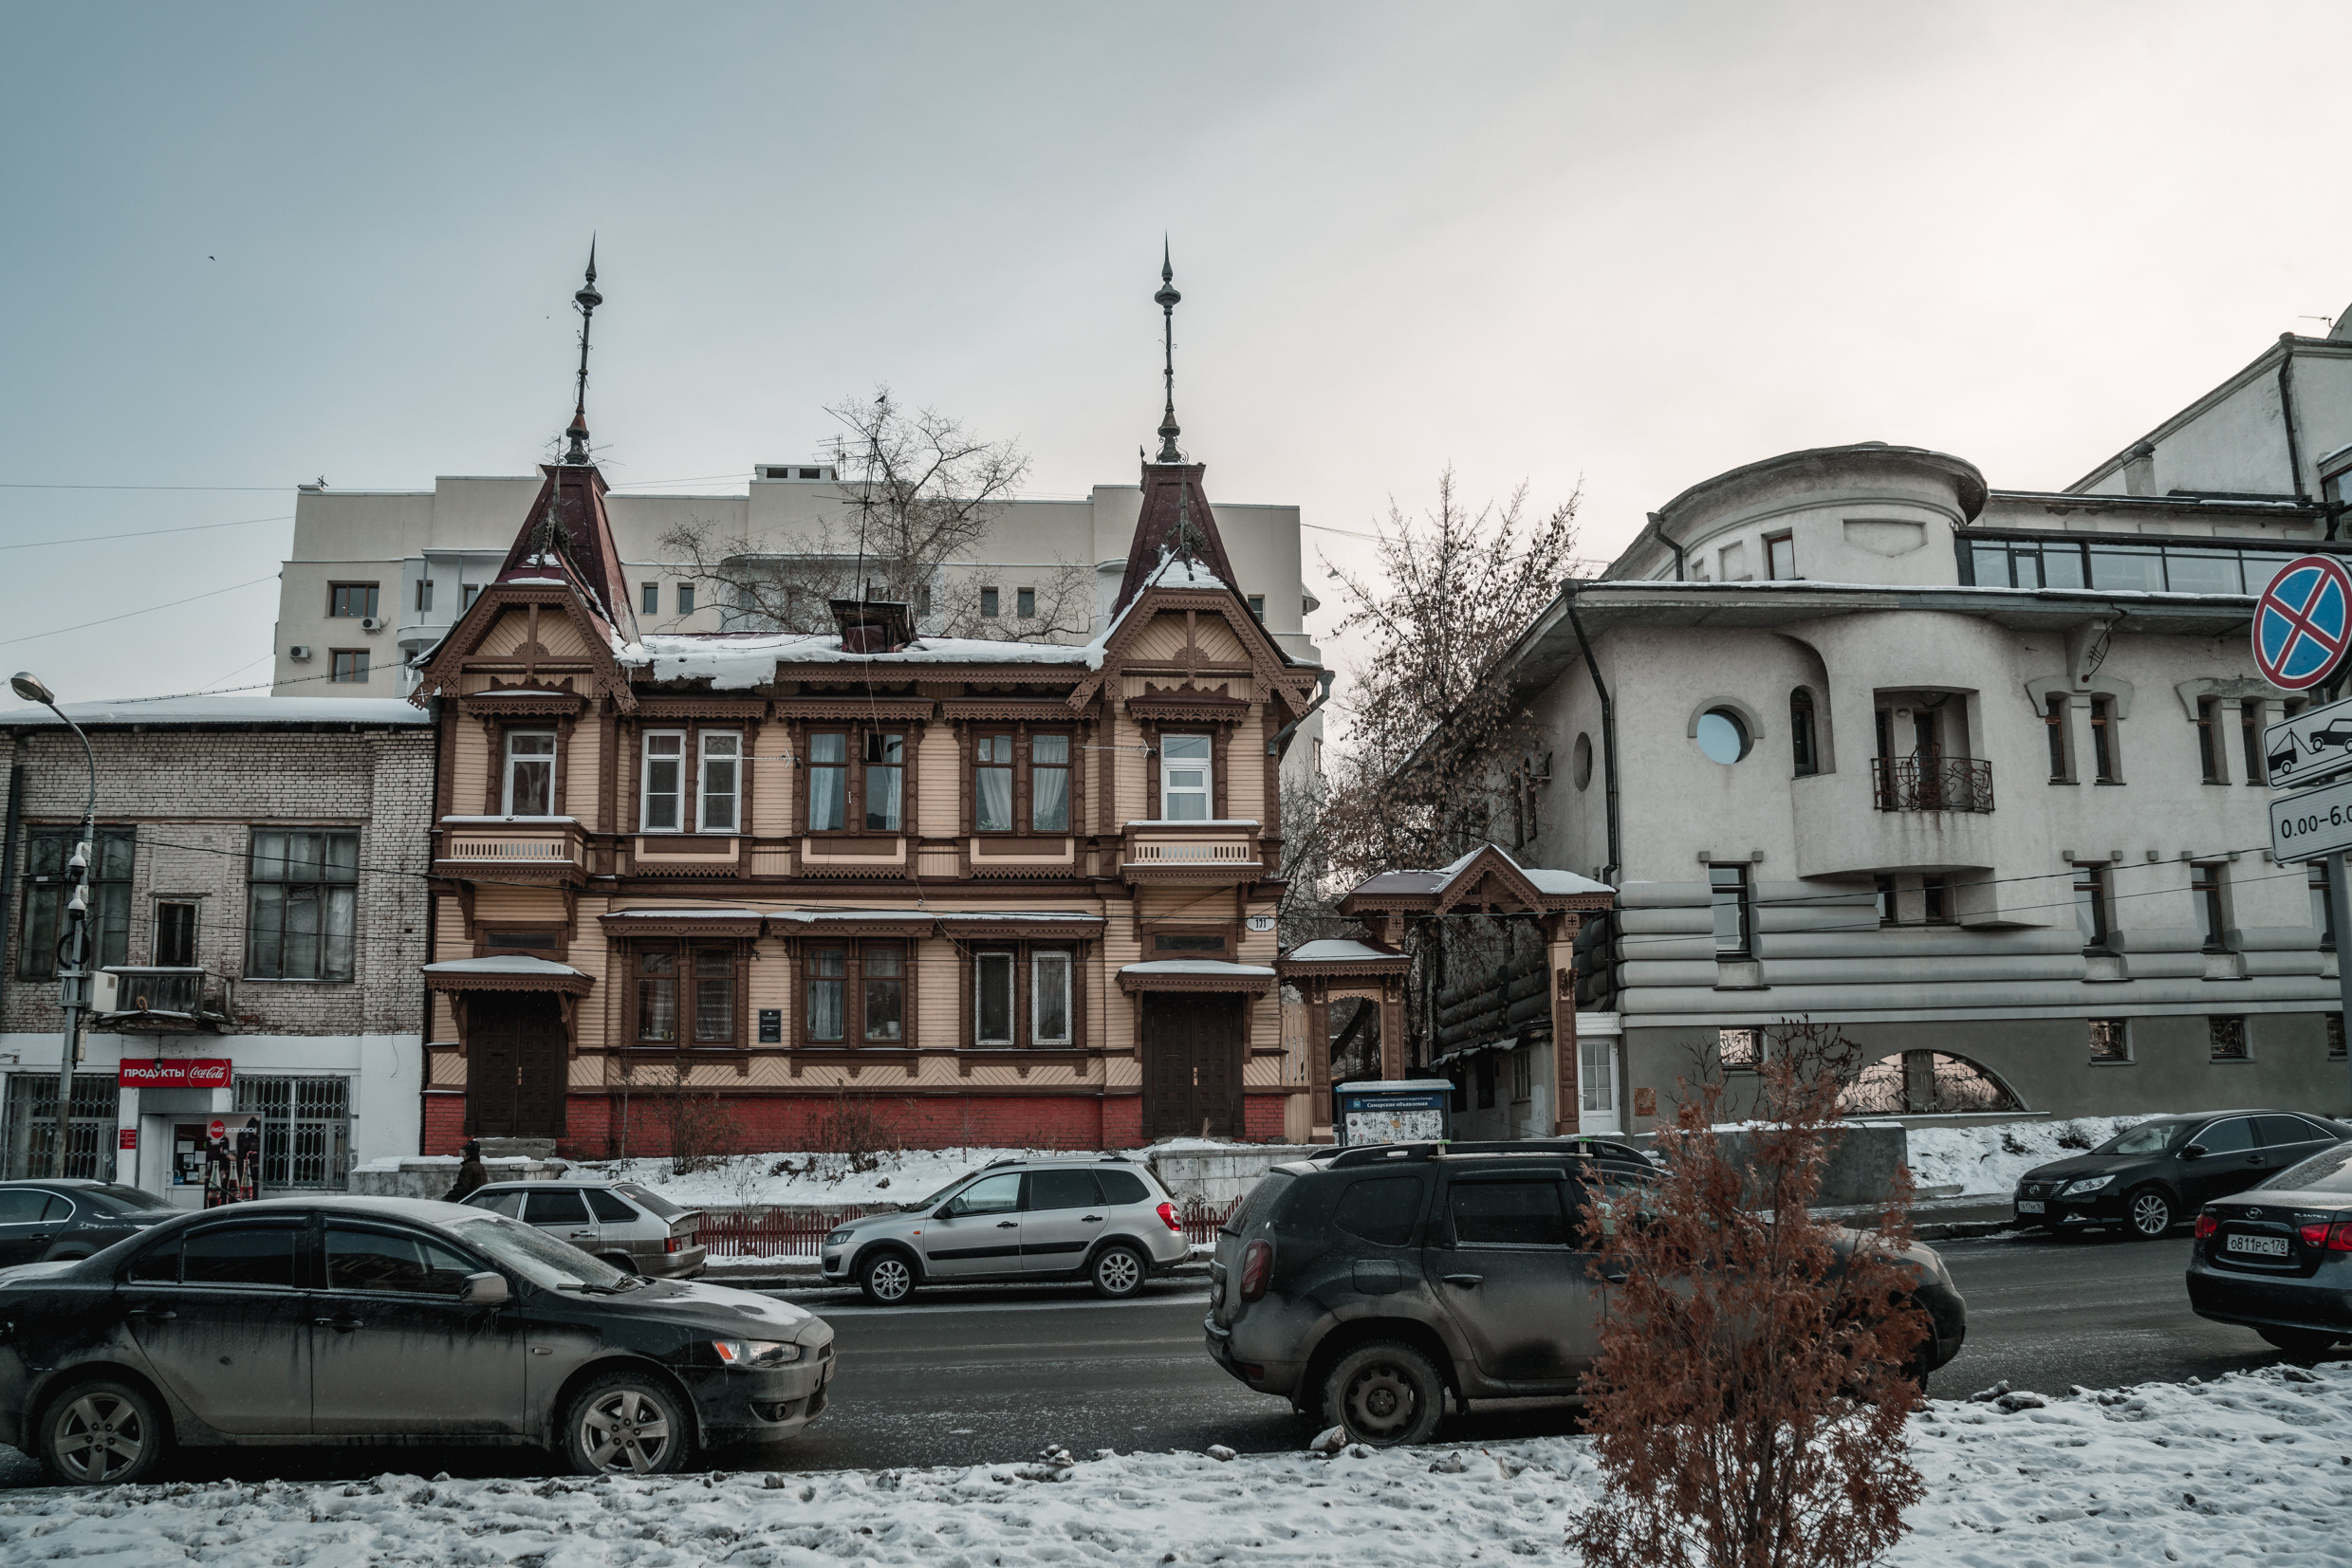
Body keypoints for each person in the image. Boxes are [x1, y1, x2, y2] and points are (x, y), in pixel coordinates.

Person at [446, 1139, 490, 1203]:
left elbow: (462, 1188)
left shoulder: (468, 1167)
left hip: (469, 1203)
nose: (462, 1154)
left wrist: (447, 1198)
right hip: (479, 1202)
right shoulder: (480, 1166)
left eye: (464, 1152)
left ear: (468, 1153)